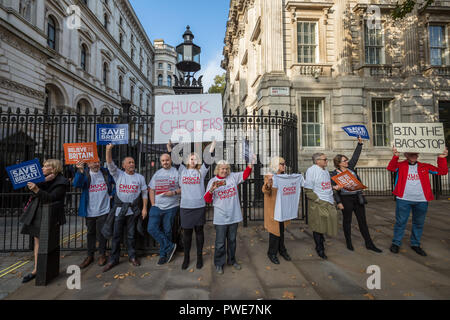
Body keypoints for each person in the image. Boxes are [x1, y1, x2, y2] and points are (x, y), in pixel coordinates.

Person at [387, 146, 448, 256]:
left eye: (415, 154)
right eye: (411, 154)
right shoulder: (400, 165)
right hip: (403, 199)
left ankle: (415, 244)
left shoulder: (425, 166)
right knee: (400, 222)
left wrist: (442, 157)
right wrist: (395, 156)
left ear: (418, 155)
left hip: (421, 200)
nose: (414, 156)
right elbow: (391, 168)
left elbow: (442, 171)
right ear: (406, 155)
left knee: (418, 223)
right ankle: (396, 243)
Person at [167, 140, 216, 270]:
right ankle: (187, 257)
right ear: (188, 160)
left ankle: (199, 257)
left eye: (196, 159)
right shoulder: (182, 170)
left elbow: (209, 159)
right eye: (191, 158)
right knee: (187, 233)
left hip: (199, 206)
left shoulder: (202, 171)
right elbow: (175, 159)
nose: (193, 161)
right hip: (186, 207)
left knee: (199, 231)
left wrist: (213, 146)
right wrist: (170, 149)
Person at [20, 159, 69, 283]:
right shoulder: (41, 178)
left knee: (47, 242)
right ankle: (36, 269)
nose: (42, 168)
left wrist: (37, 189)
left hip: (50, 215)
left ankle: (44, 269)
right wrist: (40, 182)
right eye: (43, 166)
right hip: (36, 213)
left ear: (54, 169)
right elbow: (27, 190)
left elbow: (51, 198)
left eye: (46, 166)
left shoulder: (61, 182)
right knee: (37, 241)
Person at [330, 137, 382, 253]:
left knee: (362, 221)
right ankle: (349, 242)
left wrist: (360, 144)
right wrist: (338, 202)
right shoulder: (334, 174)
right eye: (344, 161)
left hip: (357, 197)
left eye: (347, 160)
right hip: (345, 199)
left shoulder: (351, 168)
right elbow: (334, 190)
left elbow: (355, 156)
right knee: (347, 221)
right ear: (339, 163)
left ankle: (369, 243)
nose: (347, 162)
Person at [102, 144, 148, 272]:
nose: (132, 164)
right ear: (123, 165)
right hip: (119, 211)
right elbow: (110, 162)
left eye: (133, 162)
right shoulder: (118, 175)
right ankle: (113, 259)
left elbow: (144, 193)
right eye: (129, 162)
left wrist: (144, 208)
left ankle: (132, 257)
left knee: (131, 235)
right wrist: (108, 149)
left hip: (133, 211)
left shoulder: (140, 177)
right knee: (116, 236)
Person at [204, 158, 254, 274]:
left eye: (226, 169)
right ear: (218, 169)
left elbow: (245, 175)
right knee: (220, 243)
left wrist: (250, 164)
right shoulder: (213, 181)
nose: (224, 171)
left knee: (232, 240)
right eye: (222, 169)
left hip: (233, 215)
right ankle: (219, 263)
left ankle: (232, 260)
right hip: (220, 217)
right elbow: (207, 199)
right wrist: (212, 190)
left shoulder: (233, 177)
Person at [73, 160, 115, 269]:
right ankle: (89, 256)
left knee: (102, 233)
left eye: (97, 162)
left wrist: (112, 194)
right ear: (88, 164)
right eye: (93, 163)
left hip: (104, 209)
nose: (96, 164)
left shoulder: (105, 172)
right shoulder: (85, 173)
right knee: (90, 233)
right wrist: (80, 171)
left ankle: (102, 254)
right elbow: (77, 184)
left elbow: (118, 182)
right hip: (90, 210)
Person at [263, 156, 304, 264]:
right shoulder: (270, 176)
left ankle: (282, 250)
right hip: (273, 210)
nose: (284, 166)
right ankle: (272, 253)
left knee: (281, 231)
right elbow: (265, 190)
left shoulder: (285, 177)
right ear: (276, 165)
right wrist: (268, 183)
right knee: (274, 232)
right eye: (282, 164)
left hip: (282, 208)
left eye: (284, 164)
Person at [304, 153, 340, 259]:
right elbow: (308, 189)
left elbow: (326, 185)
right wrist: (317, 200)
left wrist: (334, 188)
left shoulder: (325, 171)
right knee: (318, 226)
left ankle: (321, 241)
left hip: (328, 201)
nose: (326, 161)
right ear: (317, 161)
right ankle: (320, 248)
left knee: (328, 222)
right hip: (319, 202)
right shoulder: (312, 170)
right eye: (324, 159)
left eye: (326, 159)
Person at [147, 153, 181, 265]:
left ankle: (163, 255)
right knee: (151, 228)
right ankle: (170, 246)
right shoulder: (157, 173)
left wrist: (174, 192)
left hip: (171, 206)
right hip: (157, 206)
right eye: (163, 160)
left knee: (167, 230)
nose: (165, 162)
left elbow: (184, 187)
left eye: (167, 160)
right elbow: (151, 189)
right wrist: (153, 204)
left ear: (170, 160)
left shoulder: (177, 172)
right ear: (160, 162)